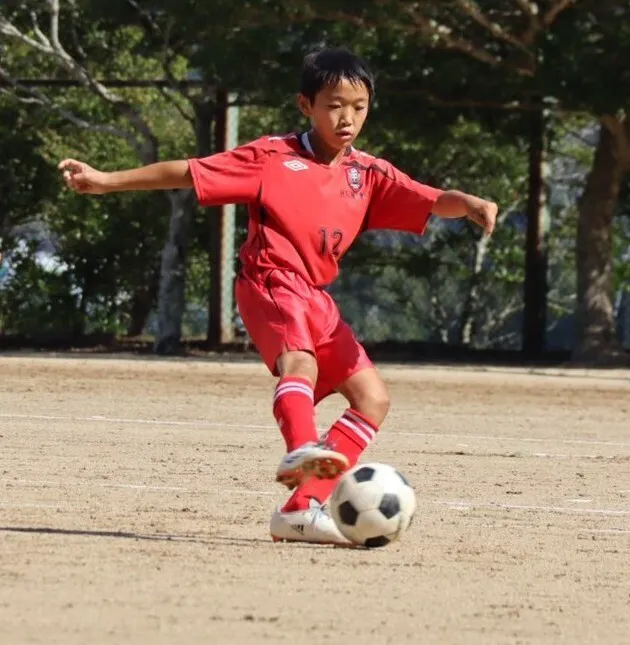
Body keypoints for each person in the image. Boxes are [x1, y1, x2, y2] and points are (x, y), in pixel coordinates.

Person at [58, 47, 498, 545]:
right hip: (269, 280)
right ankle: (303, 449)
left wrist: (470, 203)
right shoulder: (271, 157)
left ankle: (300, 509)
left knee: (373, 399)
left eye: (359, 106)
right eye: (334, 105)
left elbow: (432, 199)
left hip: (315, 298)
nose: (348, 118)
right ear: (305, 105)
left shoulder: (367, 174)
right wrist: (106, 181)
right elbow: (190, 171)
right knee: (300, 365)